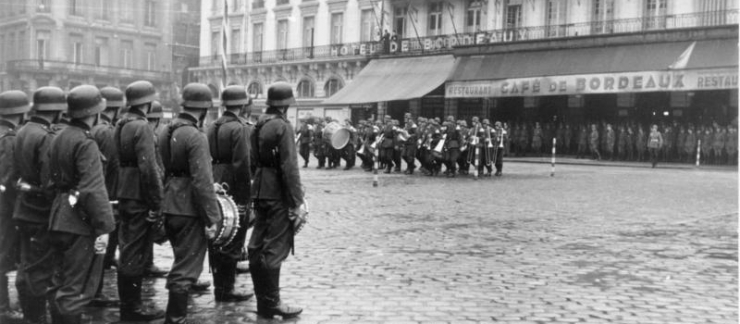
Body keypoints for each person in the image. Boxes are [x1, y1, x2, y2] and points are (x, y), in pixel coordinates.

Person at [47, 85, 116, 324]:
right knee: (76, 290)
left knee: (59, 284)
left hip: (58, 216)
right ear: (94, 113)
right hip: (79, 222)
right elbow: (93, 188)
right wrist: (105, 227)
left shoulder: (59, 137)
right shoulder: (86, 143)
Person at [158, 83, 221, 324]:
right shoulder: (195, 135)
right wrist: (212, 218)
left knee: (180, 259)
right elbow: (202, 181)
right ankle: (175, 319)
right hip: (189, 209)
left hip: (170, 203)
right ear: (204, 109)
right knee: (185, 268)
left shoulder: (166, 130)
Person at [248, 82, 304, 319]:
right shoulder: (283, 126)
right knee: (275, 249)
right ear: (285, 106)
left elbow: (251, 160)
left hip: (260, 191)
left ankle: (263, 303)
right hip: (278, 193)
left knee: (256, 246)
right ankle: (272, 304)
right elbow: (289, 166)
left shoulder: (258, 124)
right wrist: (297, 200)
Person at [112, 81, 167, 321]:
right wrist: (157, 202)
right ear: (147, 102)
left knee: (128, 249)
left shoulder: (121, 124)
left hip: (124, 192)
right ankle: (132, 309)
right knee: (136, 252)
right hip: (140, 196)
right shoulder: (142, 127)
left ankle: (130, 306)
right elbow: (148, 167)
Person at [13, 86, 66, 324]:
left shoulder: (23, 130)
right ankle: (35, 320)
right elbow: (49, 181)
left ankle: (30, 317)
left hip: (24, 208)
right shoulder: (46, 136)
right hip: (41, 212)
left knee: (27, 267)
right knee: (40, 270)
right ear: (56, 111)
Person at [205, 85, 254, 302]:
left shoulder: (212, 126)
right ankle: (227, 289)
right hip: (233, 183)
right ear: (243, 104)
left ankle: (219, 286)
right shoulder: (240, 128)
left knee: (217, 236)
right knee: (234, 235)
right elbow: (242, 164)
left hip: (214, 178)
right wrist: (245, 198)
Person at [87, 86, 123, 308]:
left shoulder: (94, 128)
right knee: (102, 246)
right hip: (107, 196)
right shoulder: (108, 132)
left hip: (92, 194)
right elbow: (111, 168)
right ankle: (95, 292)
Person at [0, 91, 30, 322]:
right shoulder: (10, 138)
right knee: (2, 255)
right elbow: (8, 179)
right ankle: (2, 307)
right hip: (5, 208)